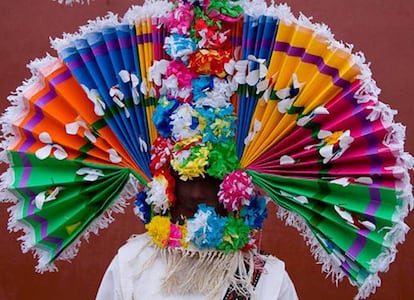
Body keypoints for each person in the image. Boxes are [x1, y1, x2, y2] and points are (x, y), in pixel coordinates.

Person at [96, 175, 298, 300]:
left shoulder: (267, 275)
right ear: (166, 182)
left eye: (210, 177)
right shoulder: (132, 262)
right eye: (185, 177)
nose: (196, 194)